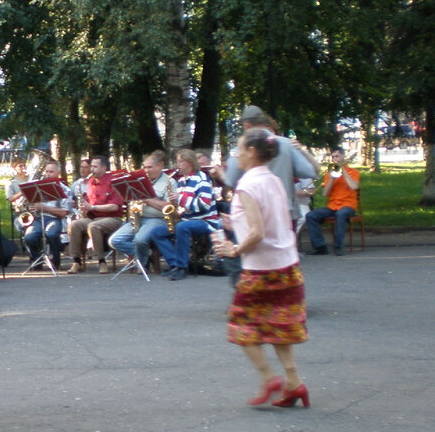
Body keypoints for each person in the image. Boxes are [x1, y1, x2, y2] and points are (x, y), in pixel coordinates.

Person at [213, 127, 310, 409]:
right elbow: (273, 220)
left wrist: (233, 248)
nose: (236, 156)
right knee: (279, 325)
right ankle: (294, 383)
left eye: (239, 150)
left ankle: (269, 377)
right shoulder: (274, 180)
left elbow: (256, 233)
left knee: (241, 328)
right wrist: (237, 223)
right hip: (287, 265)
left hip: (260, 270)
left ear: (252, 152)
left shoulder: (246, 185)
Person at [221, 105, 317, 221]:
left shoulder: (244, 146)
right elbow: (308, 171)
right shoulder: (286, 144)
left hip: (256, 212)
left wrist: (220, 173)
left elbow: (230, 179)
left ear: (246, 125)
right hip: (286, 210)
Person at [150, 149, 220, 281]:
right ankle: (174, 265)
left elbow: (204, 204)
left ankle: (182, 267)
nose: (178, 165)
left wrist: (180, 198)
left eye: (180, 162)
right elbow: (183, 204)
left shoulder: (202, 179)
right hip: (187, 219)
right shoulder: (181, 181)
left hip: (205, 221)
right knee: (157, 232)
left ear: (189, 162)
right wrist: (175, 207)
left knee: (182, 227)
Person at [109, 151, 175, 273]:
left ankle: (142, 264)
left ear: (160, 165)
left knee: (140, 240)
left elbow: (168, 207)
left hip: (157, 219)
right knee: (115, 240)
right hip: (139, 217)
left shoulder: (169, 182)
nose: (146, 170)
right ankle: (147, 254)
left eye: (150, 167)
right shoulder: (140, 181)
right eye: (145, 167)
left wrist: (146, 199)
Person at [66, 155, 126, 274]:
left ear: (104, 167)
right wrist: (83, 207)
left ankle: (101, 261)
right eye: (91, 166)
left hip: (112, 218)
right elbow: (89, 203)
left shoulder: (113, 181)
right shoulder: (90, 182)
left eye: (95, 166)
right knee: (74, 225)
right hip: (93, 217)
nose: (92, 169)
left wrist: (92, 207)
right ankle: (76, 261)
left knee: (93, 227)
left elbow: (114, 206)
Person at [304, 147, 360, 256]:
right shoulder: (330, 174)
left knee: (341, 214)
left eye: (337, 156)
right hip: (333, 206)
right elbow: (325, 194)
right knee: (311, 215)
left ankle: (338, 247)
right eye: (333, 157)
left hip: (348, 206)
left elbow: (354, 186)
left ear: (343, 156)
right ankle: (320, 247)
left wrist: (343, 171)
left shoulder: (353, 172)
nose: (335, 159)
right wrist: (332, 179)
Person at [21, 159, 68, 271]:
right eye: (46, 171)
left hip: (54, 219)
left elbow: (63, 213)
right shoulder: (37, 187)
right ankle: (38, 259)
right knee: (29, 237)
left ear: (58, 173)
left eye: (51, 172)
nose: (47, 174)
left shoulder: (64, 189)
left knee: (51, 234)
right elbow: (30, 205)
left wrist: (44, 208)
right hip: (38, 219)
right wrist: (31, 207)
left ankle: (56, 261)